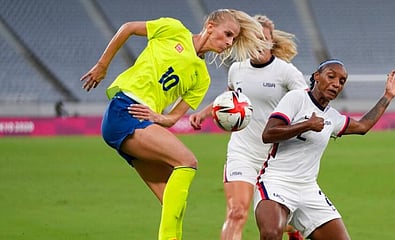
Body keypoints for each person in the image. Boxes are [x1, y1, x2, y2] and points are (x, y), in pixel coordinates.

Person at [80, 9, 270, 240]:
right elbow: (128, 27)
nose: (229, 42)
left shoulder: (202, 77)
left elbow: (173, 117)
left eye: (233, 39)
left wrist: (160, 118)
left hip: (142, 119)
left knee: (172, 202)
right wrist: (103, 65)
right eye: (227, 34)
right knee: (187, 161)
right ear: (210, 26)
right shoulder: (173, 29)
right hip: (125, 109)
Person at [254, 59, 395, 240]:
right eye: (331, 76)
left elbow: (363, 126)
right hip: (276, 182)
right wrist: (306, 125)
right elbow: (268, 134)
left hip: (308, 189)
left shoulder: (332, 117)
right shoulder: (296, 98)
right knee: (271, 234)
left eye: (341, 81)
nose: (336, 84)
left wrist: (388, 96)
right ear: (317, 77)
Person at [189, 15, 307, 240]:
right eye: (255, 38)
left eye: (265, 38)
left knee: (281, 224)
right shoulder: (237, 70)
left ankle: (294, 231)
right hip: (242, 153)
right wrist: (204, 113)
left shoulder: (287, 72)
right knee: (236, 212)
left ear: (272, 42)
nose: (260, 43)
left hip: (277, 160)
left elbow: (305, 103)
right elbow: (232, 99)